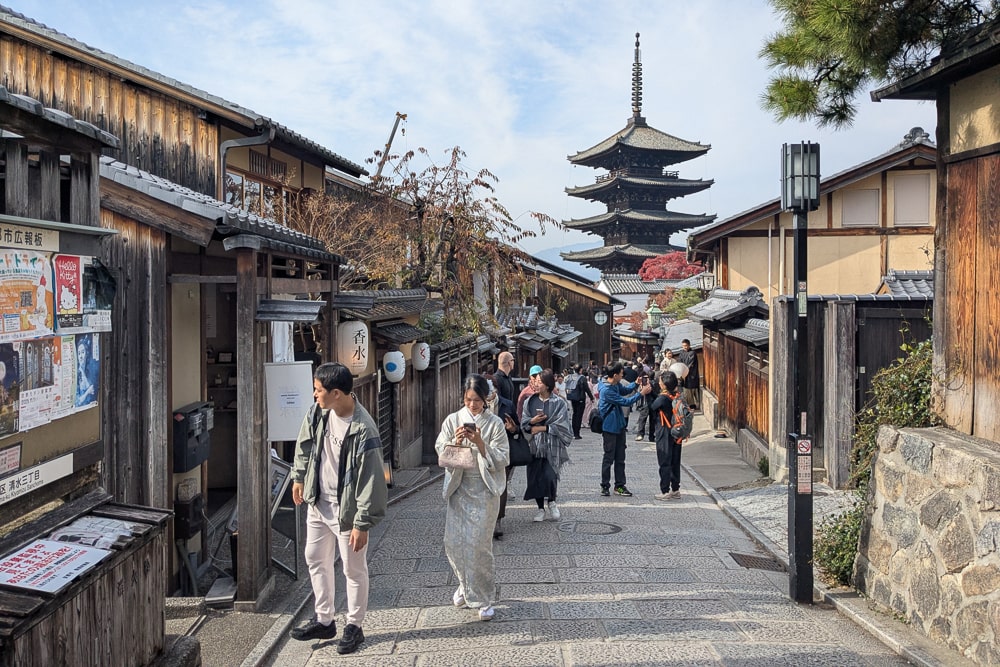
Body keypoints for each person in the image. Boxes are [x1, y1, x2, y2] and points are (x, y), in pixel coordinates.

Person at [290, 362, 388, 654]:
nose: (314, 394)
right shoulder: (320, 412)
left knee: (353, 568)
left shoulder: (363, 428)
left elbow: (372, 479)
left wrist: (363, 522)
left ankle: (354, 625)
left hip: (347, 510)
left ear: (336, 393)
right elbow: (305, 443)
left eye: (319, 390)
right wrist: (299, 476)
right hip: (319, 501)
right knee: (315, 558)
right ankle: (324, 619)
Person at [435, 374, 509, 621]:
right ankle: (464, 585)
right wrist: (454, 442)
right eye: (468, 399)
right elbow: (441, 451)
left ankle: (484, 598)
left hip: (484, 490)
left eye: (477, 400)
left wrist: (479, 442)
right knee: (454, 543)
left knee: (478, 546)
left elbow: (503, 458)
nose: (472, 405)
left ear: (486, 399)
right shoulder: (452, 420)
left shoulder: (495, 424)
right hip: (459, 487)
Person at [520, 369, 572, 522]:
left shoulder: (559, 403)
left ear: (548, 385)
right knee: (535, 477)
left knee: (550, 475)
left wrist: (544, 427)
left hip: (552, 445)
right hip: (534, 446)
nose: (536, 384)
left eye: (540, 382)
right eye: (535, 381)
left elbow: (564, 426)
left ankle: (552, 502)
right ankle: (540, 508)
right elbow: (524, 422)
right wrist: (532, 421)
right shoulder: (529, 401)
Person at [596, 362, 651, 497]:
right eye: (621, 374)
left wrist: (636, 384)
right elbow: (625, 401)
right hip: (609, 427)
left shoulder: (614, 384)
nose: (622, 375)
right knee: (608, 458)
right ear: (614, 375)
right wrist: (641, 393)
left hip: (619, 426)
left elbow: (625, 391)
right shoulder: (607, 390)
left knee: (620, 458)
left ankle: (619, 486)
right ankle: (605, 485)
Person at [488, 382, 523, 540]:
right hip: (483, 451)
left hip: (503, 450)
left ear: (496, 389)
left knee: (501, 486)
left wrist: (513, 428)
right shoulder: (477, 404)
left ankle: (498, 520)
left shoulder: (507, 404)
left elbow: (518, 428)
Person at [651, 371, 685, 500]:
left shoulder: (662, 398)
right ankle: (676, 489)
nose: (658, 383)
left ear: (664, 385)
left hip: (665, 431)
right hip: (677, 431)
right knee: (675, 460)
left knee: (664, 460)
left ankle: (665, 490)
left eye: (660, 381)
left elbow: (652, 407)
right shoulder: (677, 396)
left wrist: (648, 394)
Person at [565, 363, 593, 439]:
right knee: (579, 416)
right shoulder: (582, 378)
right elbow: (587, 389)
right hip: (580, 398)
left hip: (572, 397)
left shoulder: (570, 377)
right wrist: (592, 398)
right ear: (580, 370)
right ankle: (577, 433)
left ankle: (573, 432)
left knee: (574, 414)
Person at [677, 339, 701, 409]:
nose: (685, 347)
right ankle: (689, 404)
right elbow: (680, 362)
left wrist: (685, 370)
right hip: (684, 374)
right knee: (686, 390)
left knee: (692, 389)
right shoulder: (681, 353)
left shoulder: (692, 353)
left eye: (686, 345)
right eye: (683, 346)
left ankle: (693, 404)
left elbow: (690, 364)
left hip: (692, 374)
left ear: (689, 345)